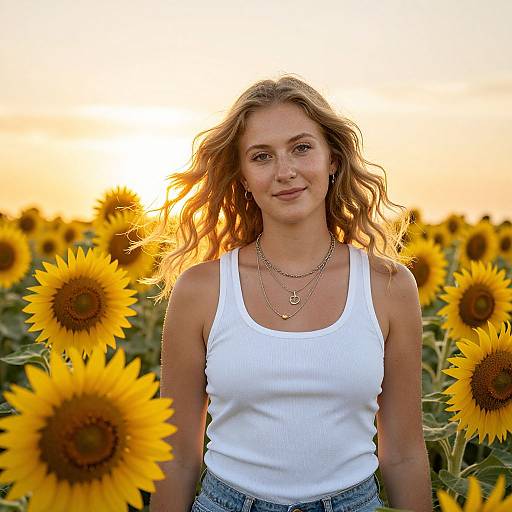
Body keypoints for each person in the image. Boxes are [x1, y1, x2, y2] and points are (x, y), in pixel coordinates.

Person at [142, 74, 433, 512]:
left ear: (332, 159)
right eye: (261, 156)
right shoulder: (201, 291)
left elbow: (405, 453)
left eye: (301, 147)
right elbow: (179, 457)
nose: (285, 171)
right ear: (242, 176)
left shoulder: (389, 288)